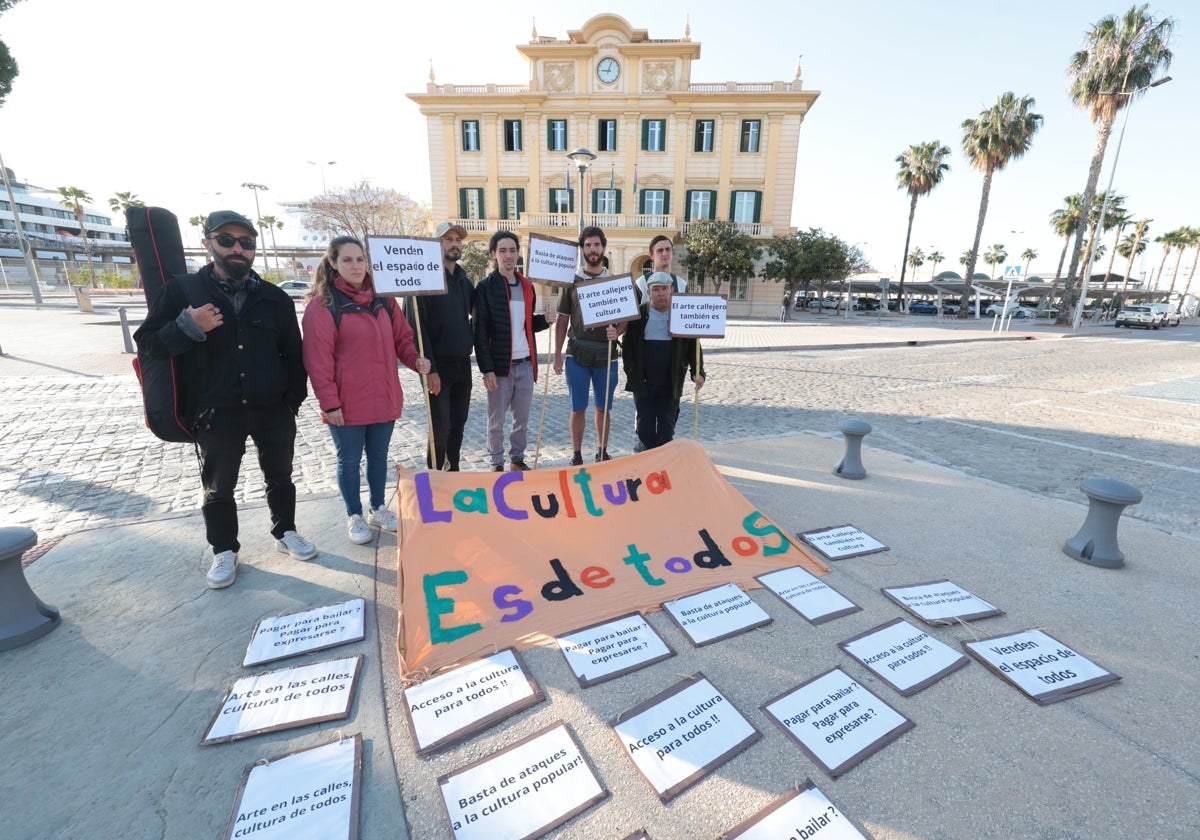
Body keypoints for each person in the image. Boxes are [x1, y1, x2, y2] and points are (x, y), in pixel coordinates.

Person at [134, 210, 314, 590]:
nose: (237, 249)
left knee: (281, 477)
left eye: (246, 243)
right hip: (216, 411)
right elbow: (148, 343)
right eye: (227, 240)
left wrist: (291, 402)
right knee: (219, 487)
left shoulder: (274, 298)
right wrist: (187, 326)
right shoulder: (183, 292)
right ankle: (224, 549)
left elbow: (294, 356)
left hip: (272, 409)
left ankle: (286, 531)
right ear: (208, 244)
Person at [302, 236, 430, 545]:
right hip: (346, 403)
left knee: (378, 457)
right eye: (347, 260)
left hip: (384, 397)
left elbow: (403, 338)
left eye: (360, 259)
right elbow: (318, 362)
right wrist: (330, 404)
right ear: (333, 263)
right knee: (348, 461)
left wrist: (415, 359)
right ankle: (354, 515)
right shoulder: (323, 306)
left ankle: (376, 508)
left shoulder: (384, 299)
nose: (356, 266)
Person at [473, 230, 557, 471]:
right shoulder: (485, 287)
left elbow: (526, 323)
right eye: (502, 251)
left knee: (522, 421)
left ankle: (517, 459)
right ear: (493, 254)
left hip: (525, 364)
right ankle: (496, 463)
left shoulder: (526, 285)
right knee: (496, 421)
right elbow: (479, 332)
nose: (508, 256)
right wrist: (486, 369)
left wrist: (545, 320)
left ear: (518, 253)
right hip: (499, 368)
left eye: (512, 250)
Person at [404, 222, 474, 471]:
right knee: (439, 427)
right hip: (437, 368)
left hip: (463, 365)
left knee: (459, 424)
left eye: (458, 239)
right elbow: (415, 327)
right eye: (448, 239)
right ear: (436, 244)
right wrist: (429, 369)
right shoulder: (422, 280)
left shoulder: (465, 280)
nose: (454, 243)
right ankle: (434, 476)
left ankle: (452, 470)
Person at [554, 226, 623, 465]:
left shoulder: (614, 282)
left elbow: (626, 319)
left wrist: (618, 331)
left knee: (603, 408)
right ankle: (576, 454)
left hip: (607, 355)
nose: (592, 249)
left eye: (596, 245)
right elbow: (563, 319)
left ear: (603, 247)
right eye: (587, 245)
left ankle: (602, 451)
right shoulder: (571, 281)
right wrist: (556, 355)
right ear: (581, 249)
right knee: (578, 408)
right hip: (577, 354)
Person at [622, 271, 706, 450]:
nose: (660, 293)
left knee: (667, 428)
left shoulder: (681, 314)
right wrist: (631, 372)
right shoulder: (638, 315)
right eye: (656, 289)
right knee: (645, 428)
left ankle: (663, 466)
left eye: (664, 289)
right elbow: (627, 346)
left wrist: (697, 372)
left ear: (672, 290)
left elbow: (693, 346)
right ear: (649, 292)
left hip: (671, 380)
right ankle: (649, 461)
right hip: (643, 381)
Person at [634, 234, 687, 302]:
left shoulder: (682, 285)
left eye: (668, 249)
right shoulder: (640, 284)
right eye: (660, 250)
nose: (665, 253)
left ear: (672, 253)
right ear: (651, 255)